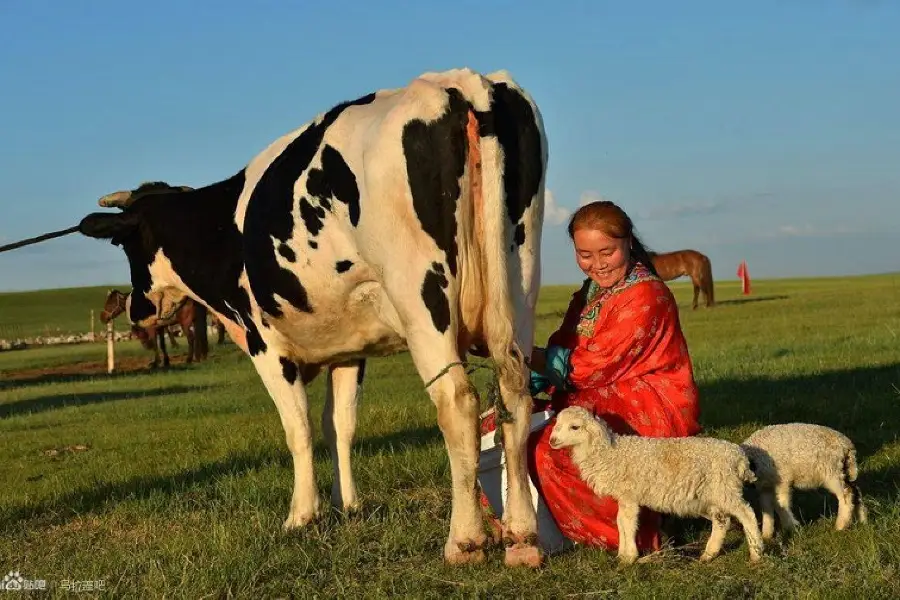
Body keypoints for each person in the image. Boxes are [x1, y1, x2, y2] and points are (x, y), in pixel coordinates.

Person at [480, 200, 702, 553]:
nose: (597, 264)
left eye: (606, 252)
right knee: (498, 423)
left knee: (556, 446)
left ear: (628, 242)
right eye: (585, 254)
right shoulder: (589, 291)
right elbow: (564, 345)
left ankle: (626, 535)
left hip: (652, 403)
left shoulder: (647, 295)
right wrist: (529, 376)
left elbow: (589, 367)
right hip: (593, 392)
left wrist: (521, 354)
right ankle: (522, 523)